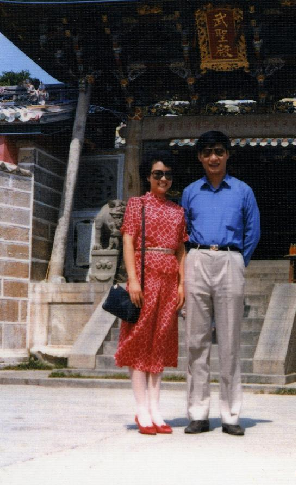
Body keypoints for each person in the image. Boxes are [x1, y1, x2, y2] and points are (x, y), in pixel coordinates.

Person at [181, 131, 260, 436]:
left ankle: (230, 414)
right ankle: (198, 413)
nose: (213, 158)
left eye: (218, 151)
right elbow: (183, 230)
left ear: (228, 155)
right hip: (197, 258)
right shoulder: (190, 192)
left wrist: (237, 261)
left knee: (229, 341)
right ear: (200, 158)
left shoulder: (243, 191)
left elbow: (252, 231)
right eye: (206, 153)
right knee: (196, 341)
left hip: (230, 258)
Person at [115, 150, 188, 435]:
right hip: (144, 278)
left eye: (168, 174)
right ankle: (142, 408)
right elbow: (128, 241)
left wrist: (183, 284)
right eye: (158, 174)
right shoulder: (137, 205)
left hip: (169, 280)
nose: (164, 179)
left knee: (161, 342)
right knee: (138, 341)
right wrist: (132, 280)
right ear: (148, 177)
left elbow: (182, 249)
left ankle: (157, 409)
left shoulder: (178, 210)